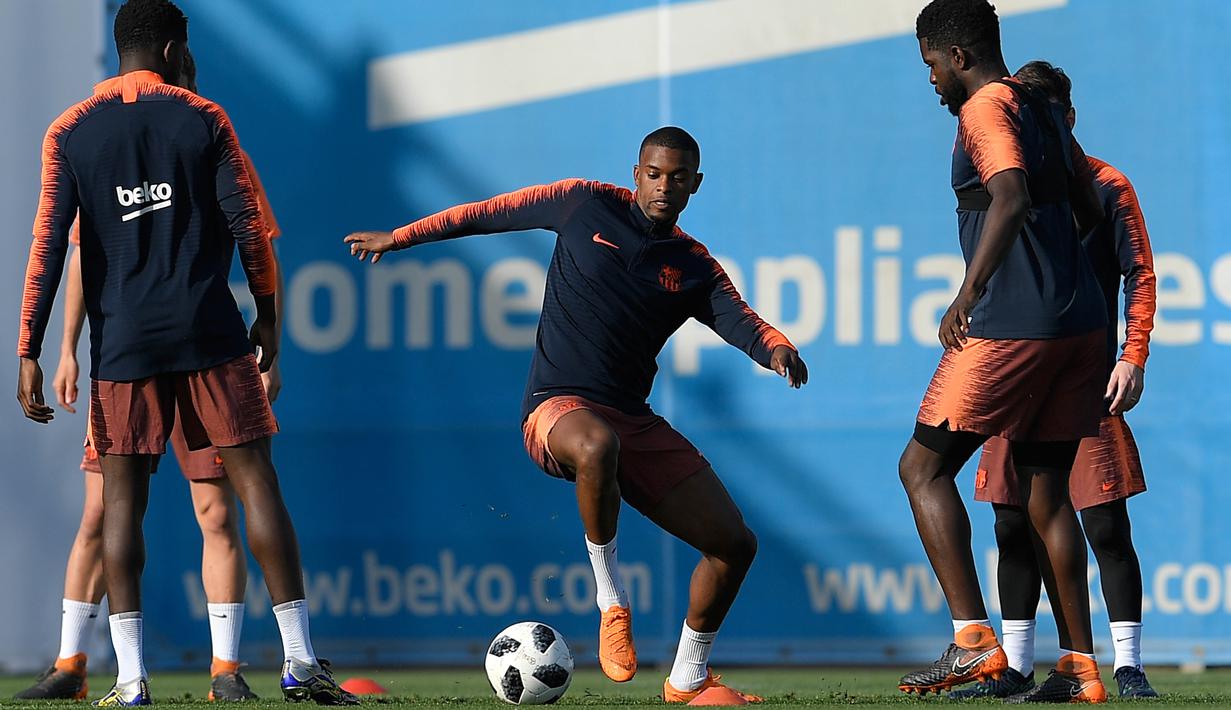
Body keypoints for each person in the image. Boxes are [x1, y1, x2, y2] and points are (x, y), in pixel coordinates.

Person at [345, 126, 807, 704]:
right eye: (655, 174)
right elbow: (490, 213)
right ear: (636, 173)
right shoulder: (584, 201)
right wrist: (401, 237)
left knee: (734, 544)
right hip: (556, 408)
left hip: (629, 418)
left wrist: (775, 348)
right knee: (595, 446)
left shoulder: (692, 266)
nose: (665, 186)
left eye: (679, 178)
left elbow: (738, 318)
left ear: (696, 184)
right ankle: (611, 601)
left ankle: (688, 676)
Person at [14, 1, 354, 705]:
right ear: (172, 49)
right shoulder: (205, 117)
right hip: (209, 335)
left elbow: (51, 244)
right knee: (256, 484)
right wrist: (266, 318)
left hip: (124, 348)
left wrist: (32, 348)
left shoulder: (69, 131)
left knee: (119, 511)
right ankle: (298, 662)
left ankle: (131, 680)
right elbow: (249, 228)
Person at [897, 0, 1110, 702]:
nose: (928, 79)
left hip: (1010, 324)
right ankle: (1079, 668)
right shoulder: (1038, 105)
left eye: (929, 64)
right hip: (1077, 326)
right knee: (1044, 493)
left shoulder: (985, 107)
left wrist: (969, 291)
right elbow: (1084, 203)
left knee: (922, 468)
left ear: (956, 56)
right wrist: (1064, 281)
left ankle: (970, 642)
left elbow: (1009, 196)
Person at [951, 60, 1158, 701]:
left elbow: (1139, 273)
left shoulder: (1101, 184)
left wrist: (1132, 355)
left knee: (1103, 524)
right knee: (1012, 523)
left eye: (1051, 117)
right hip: (1016, 373)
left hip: (1083, 375)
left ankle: (1124, 664)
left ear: (1066, 117)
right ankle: (1014, 668)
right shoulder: (1006, 182)